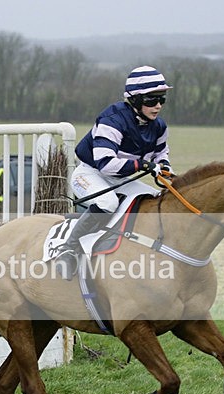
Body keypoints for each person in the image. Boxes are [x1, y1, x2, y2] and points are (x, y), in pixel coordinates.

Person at [54, 65, 174, 280]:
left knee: (155, 199)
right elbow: (106, 164)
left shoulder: (159, 126)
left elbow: (161, 153)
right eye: (151, 100)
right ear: (135, 100)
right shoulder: (112, 119)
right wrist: (144, 166)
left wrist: (164, 168)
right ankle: (68, 250)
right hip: (90, 173)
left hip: (119, 177)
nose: (157, 106)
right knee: (107, 203)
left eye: (161, 99)